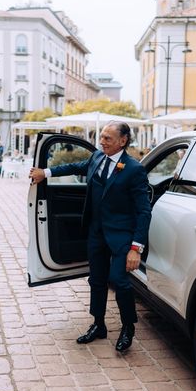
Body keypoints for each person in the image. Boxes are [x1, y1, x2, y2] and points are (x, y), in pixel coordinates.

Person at [29, 121, 152, 352]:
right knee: (96, 280)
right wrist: (45, 173)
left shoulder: (134, 169)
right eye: (102, 136)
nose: (102, 141)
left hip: (121, 236)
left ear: (122, 141)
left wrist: (136, 248)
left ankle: (128, 327)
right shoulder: (97, 157)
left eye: (107, 138)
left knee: (120, 281)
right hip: (96, 233)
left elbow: (144, 211)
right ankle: (98, 324)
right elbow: (76, 166)